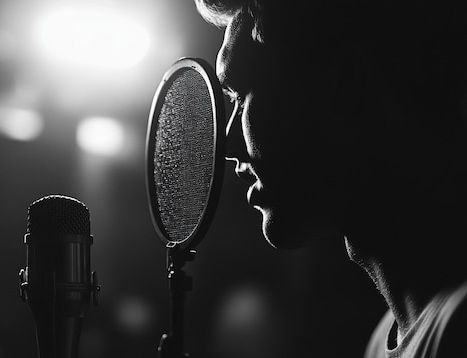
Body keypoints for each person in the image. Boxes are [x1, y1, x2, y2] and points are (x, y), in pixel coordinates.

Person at [194, 0, 467, 357]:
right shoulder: (386, 337)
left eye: (242, 95)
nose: (229, 144)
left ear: (343, 79)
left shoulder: (458, 331)